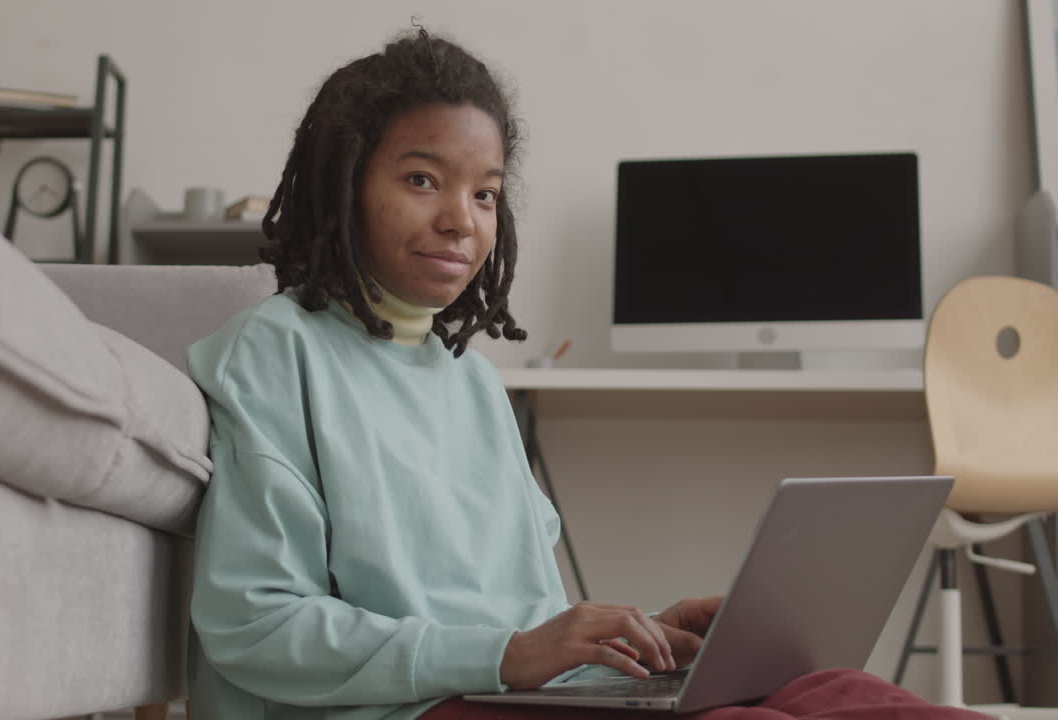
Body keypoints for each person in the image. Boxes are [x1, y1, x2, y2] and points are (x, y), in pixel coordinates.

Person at [185, 28, 991, 720]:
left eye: (486, 194)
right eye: (422, 179)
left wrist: (630, 635)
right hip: (398, 707)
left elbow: (522, 629)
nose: (461, 220)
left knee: (831, 688)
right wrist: (513, 654)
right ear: (344, 182)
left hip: (497, 692)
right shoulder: (274, 351)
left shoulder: (466, 378)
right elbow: (255, 627)